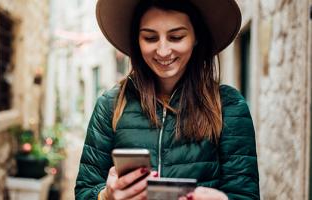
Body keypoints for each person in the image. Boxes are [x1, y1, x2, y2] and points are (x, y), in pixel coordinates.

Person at [75, 0, 259, 199]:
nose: (163, 51)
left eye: (176, 37)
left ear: (196, 37)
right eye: (150, 37)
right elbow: (85, 191)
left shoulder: (229, 106)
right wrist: (105, 195)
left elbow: (245, 194)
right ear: (137, 40)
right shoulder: (110, 106)